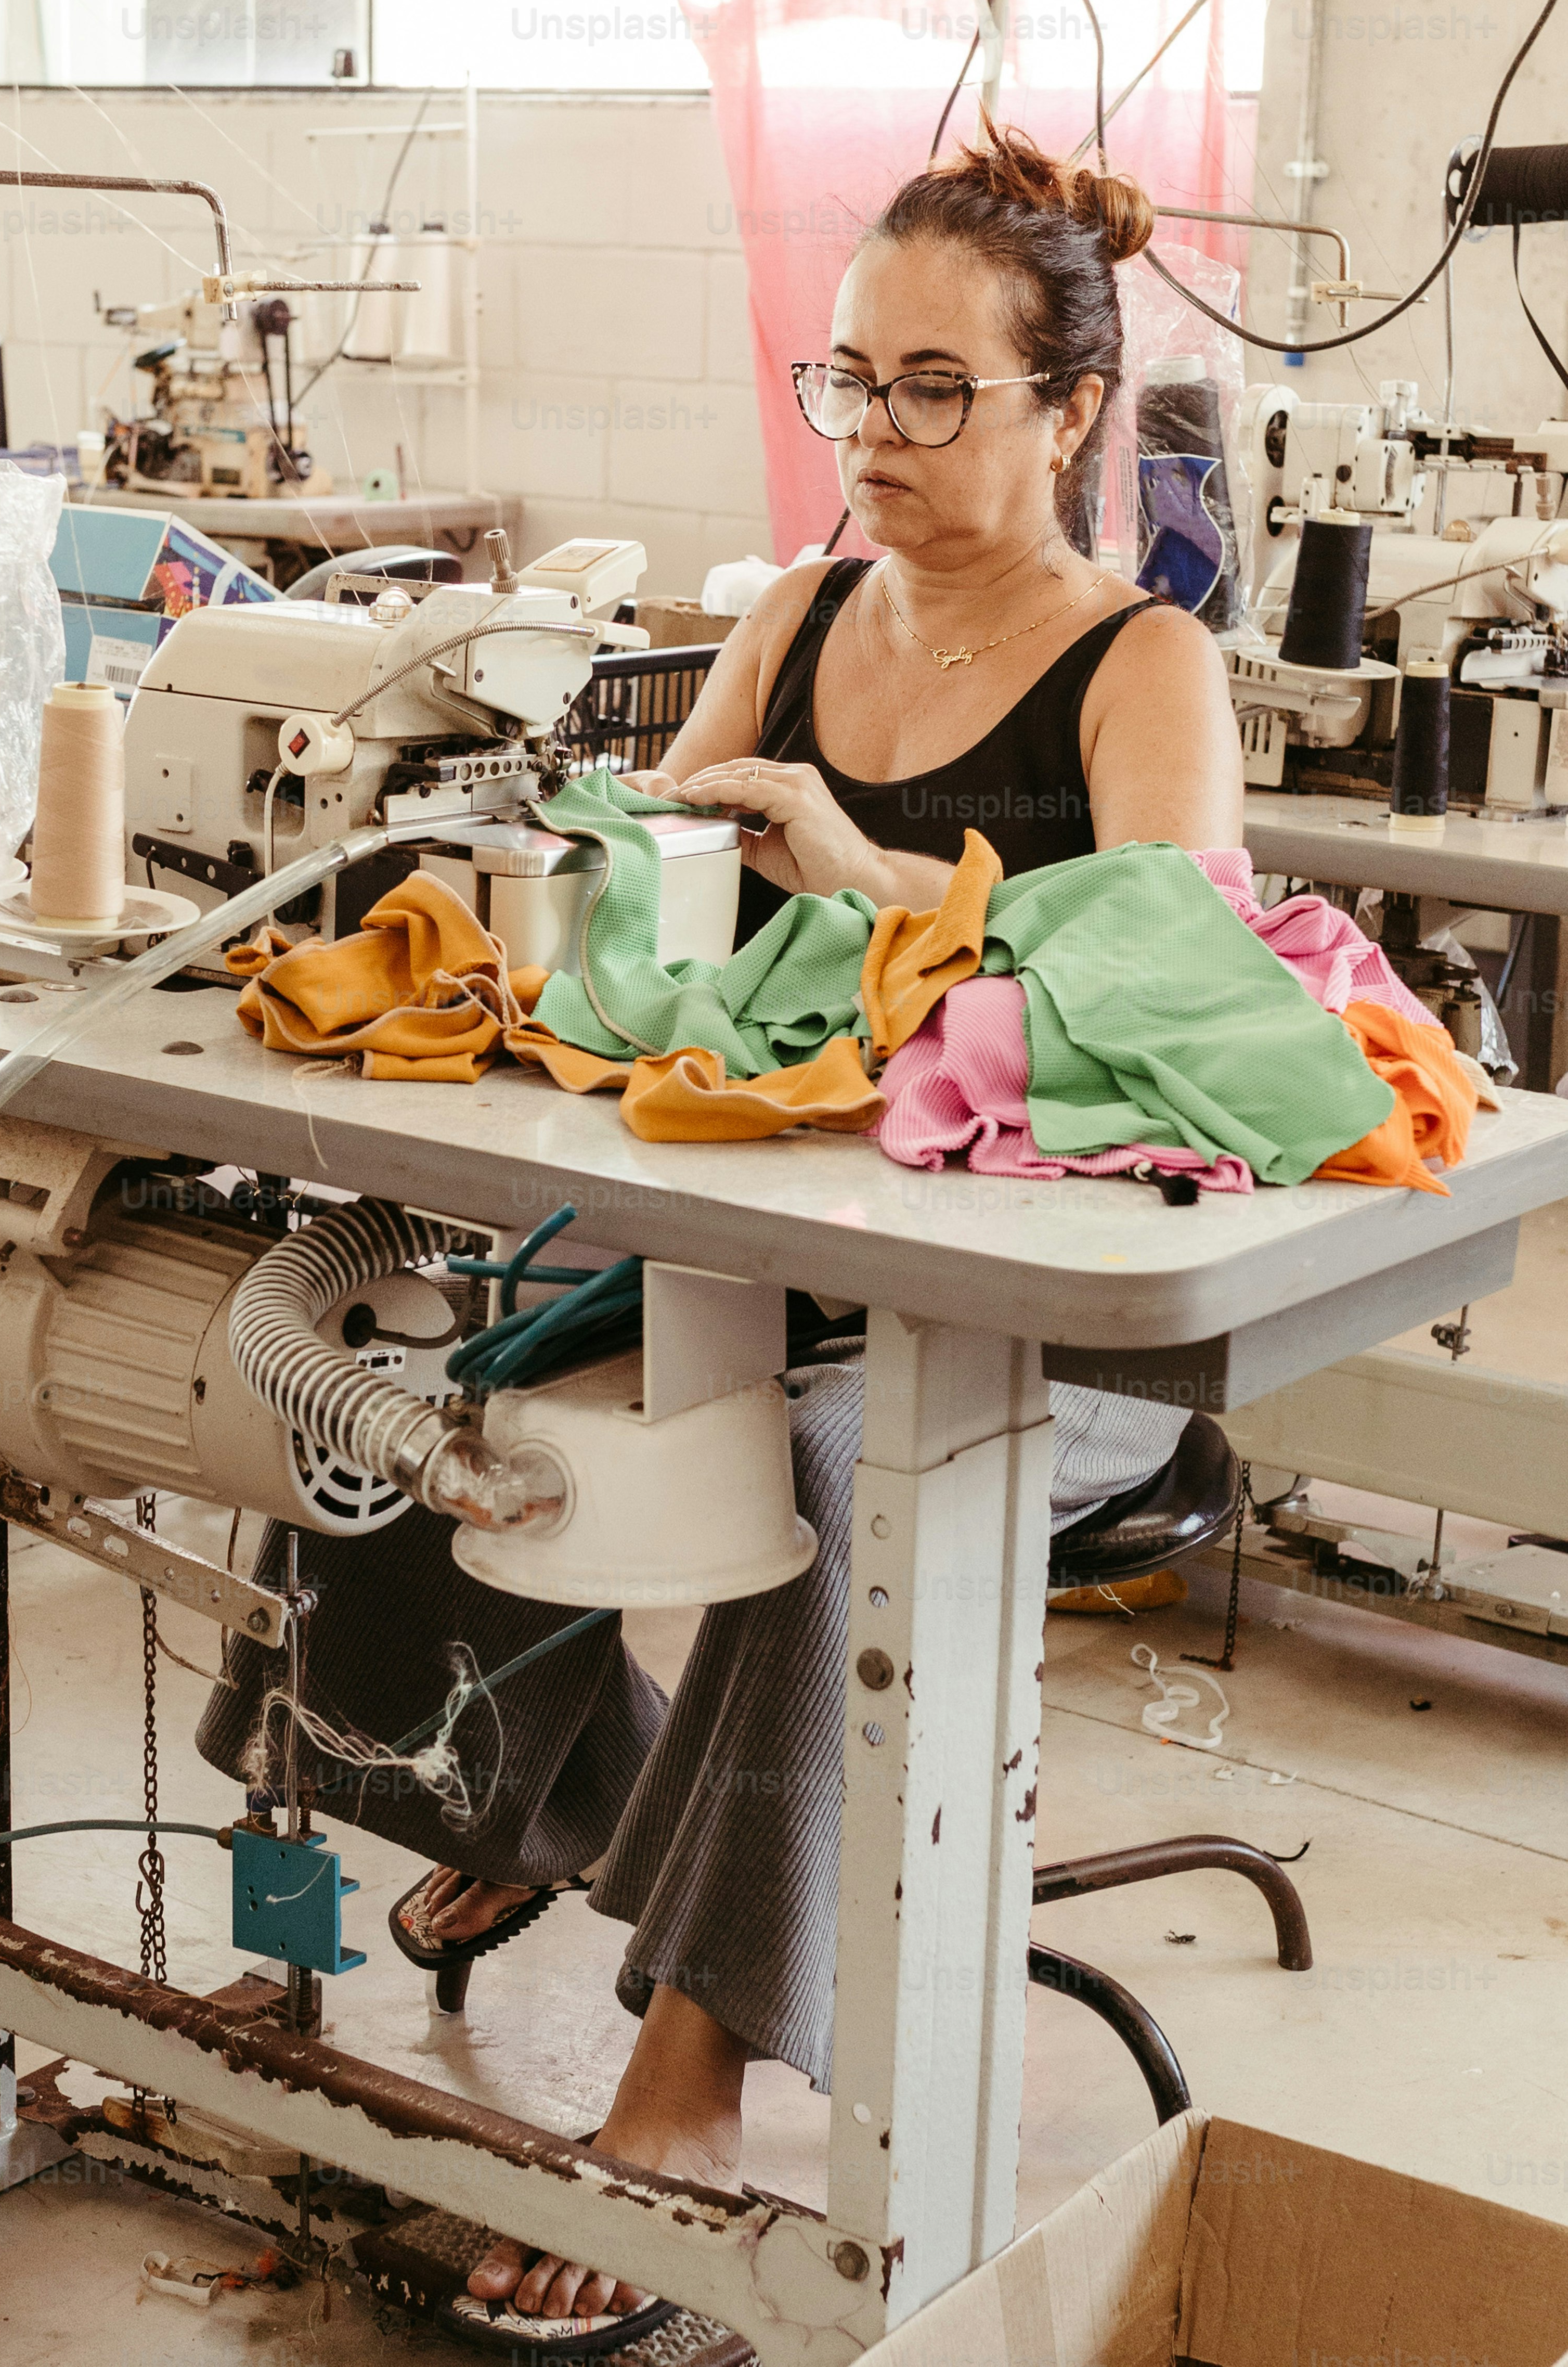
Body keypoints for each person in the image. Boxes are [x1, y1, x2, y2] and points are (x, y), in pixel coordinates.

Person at [199, 123, 1243, 2349]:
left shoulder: (1141, 666)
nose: (870, 432)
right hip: (772, 1250)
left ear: (1071, 407)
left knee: (836, 1473)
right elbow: (666, 938)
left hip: (1055, 1323)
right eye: (843, 379)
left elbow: (1189, 1012)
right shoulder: (797, 610)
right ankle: (534, 1790)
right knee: (394, 1382)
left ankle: (691, 2059)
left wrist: (858, 867)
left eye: (933, 388)